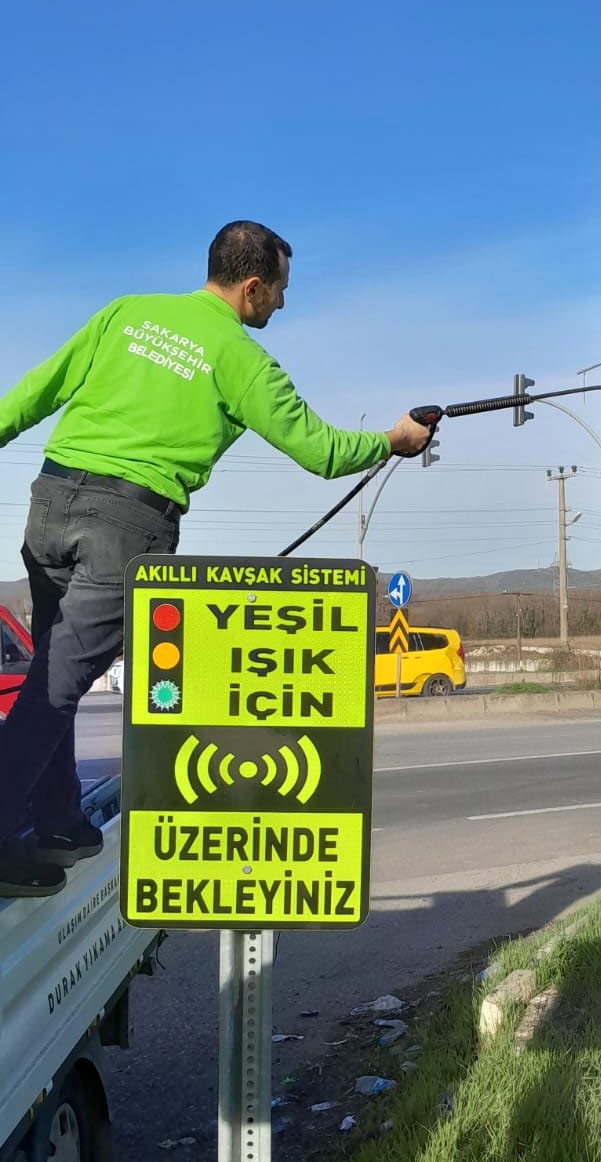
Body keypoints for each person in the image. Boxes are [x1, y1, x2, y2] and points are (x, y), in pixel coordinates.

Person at [0, 220, 431, 897]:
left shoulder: (127, 313)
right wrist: (394, 439)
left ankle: (56, 820)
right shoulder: (241, 358)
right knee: (56, 684)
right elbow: (321, 451)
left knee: (54, 673)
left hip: (50, 502)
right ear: (253, 286)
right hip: (127, 524)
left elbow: (35, 392)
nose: (283, 305)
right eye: (281, 292)